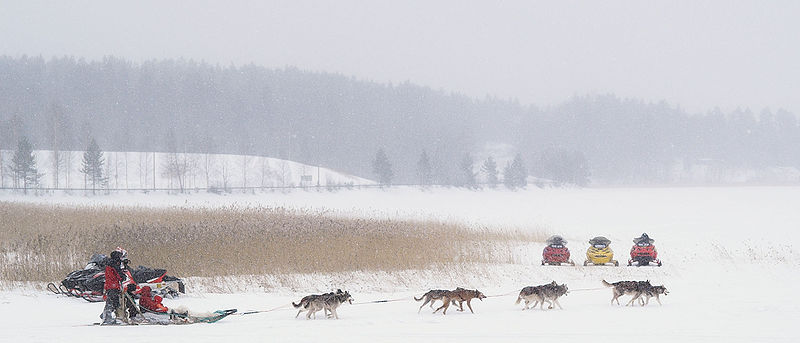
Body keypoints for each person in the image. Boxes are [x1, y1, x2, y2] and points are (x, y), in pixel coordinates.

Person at [101, 250, 125, 325]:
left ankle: (105, 315)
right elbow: (117, 274)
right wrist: (122, 276)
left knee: (110, 300)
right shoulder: (114, 264)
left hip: (109, 285)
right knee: (113, 301)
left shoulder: (109, 263)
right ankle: (107, 317)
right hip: (113, 285)